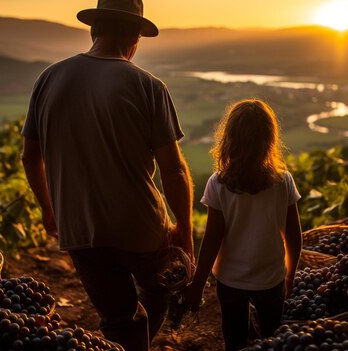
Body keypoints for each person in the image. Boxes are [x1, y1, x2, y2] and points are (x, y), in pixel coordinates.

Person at [20, 1, 194, 350]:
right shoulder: (148, 85)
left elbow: (30, 156)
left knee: (118, 319)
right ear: (134, 36)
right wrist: (185, 231)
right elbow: (174, 170)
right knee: (159, 291)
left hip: (80, 229)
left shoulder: (49, 78)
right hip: (141, 228)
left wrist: (49, 208)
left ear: (93, 29)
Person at [183, 99, 302, 351]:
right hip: (271, 279)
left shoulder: (218, 184)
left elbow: (212, 240)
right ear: (269, 140)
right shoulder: (283, 181)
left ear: (230, 139)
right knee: (274, 341)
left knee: (235, 341)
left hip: (230, 280)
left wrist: (197, 285)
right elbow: (293, 235)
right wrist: (290, 274)